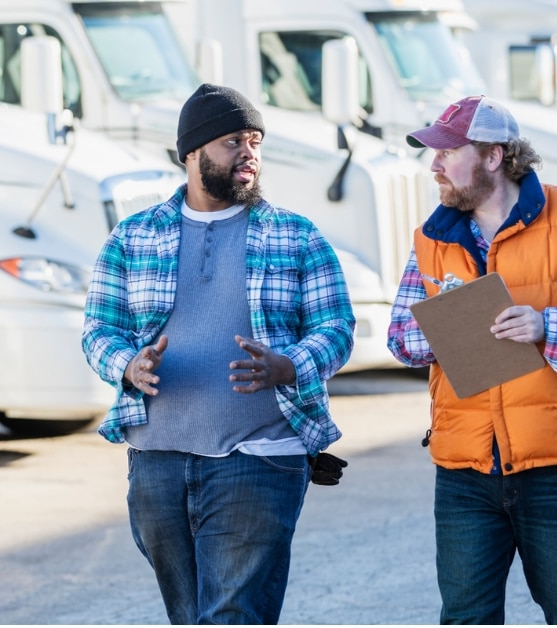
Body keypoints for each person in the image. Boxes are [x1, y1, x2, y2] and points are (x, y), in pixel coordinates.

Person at [81, 83, 355, 625]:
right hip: (156, 461)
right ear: (193, 153)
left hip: (259, 458)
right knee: (188, 615)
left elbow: (336, 327)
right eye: (233, 141)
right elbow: (98, 330)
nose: (249, 153)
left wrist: (288, 365)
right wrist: (127, 366)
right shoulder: (132, 237)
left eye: (255, 141)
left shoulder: (296, 236)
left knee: (231, 615)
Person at [387, 95, 557, 624]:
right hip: (465, 469)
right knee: (465, 618)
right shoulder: (431, 238)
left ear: (493, 156)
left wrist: (549, 324)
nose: (433, 165)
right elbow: (400, 339)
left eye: (447, 152)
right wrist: (442, 331)